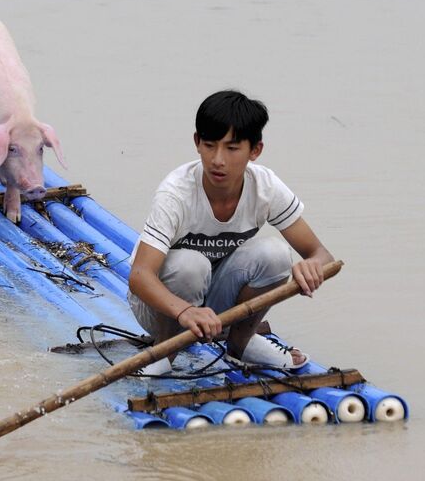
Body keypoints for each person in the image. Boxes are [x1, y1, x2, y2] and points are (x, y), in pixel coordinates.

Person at [127, 90, 334, 374]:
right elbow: (140, 276)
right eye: (210, 146)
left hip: (214, 302)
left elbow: (321, 254)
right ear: (197, 143)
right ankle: (166, 352)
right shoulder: (176, 192)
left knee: (275, 253)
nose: (218, 160)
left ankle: (240, 345)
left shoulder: (265, 188)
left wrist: (312, 266)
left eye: (232, 148)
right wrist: (185, 311)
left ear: (255, 151)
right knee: (191, 265)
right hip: (162, 305)